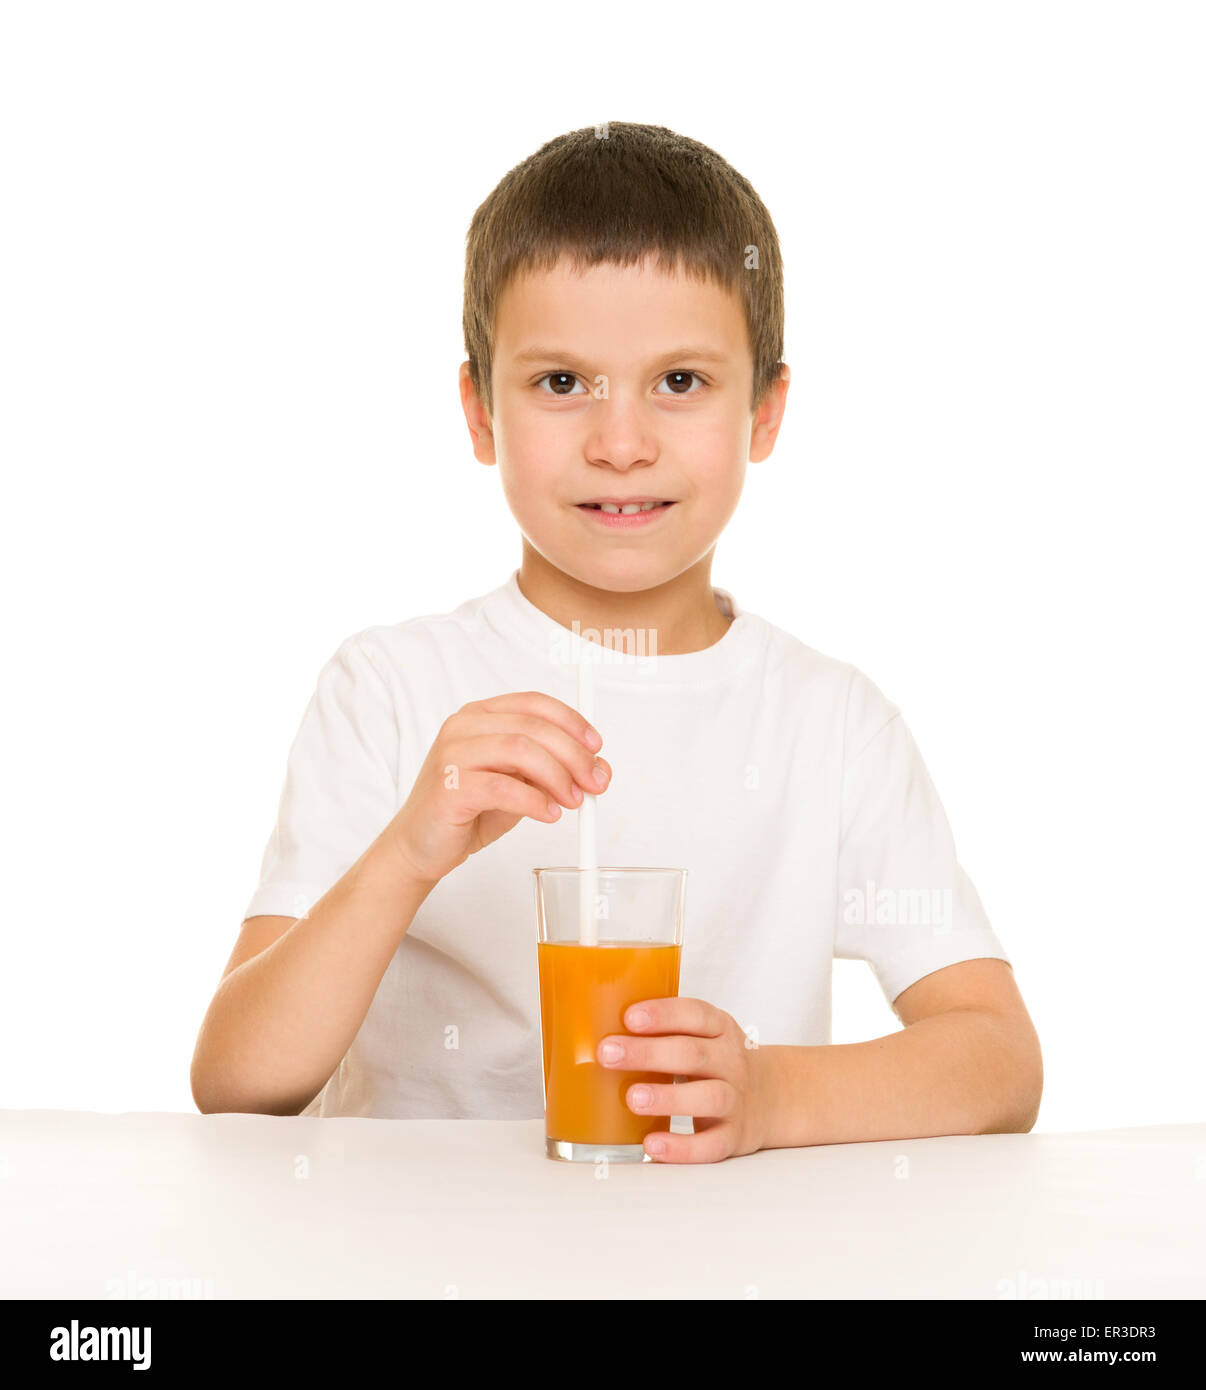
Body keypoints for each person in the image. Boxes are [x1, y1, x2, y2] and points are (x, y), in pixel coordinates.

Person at [190, 122, 1042, 1163]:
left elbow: (999, 1061)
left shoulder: (830, 723)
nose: (622, 442)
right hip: (420, 1259)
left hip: (722, 1263)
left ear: (766, 413)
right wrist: (409, 852)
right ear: (479, 412)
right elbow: (236, 1080)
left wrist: (771, 1096)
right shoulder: (391, 691)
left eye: (680, 382)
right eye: (561, 384)